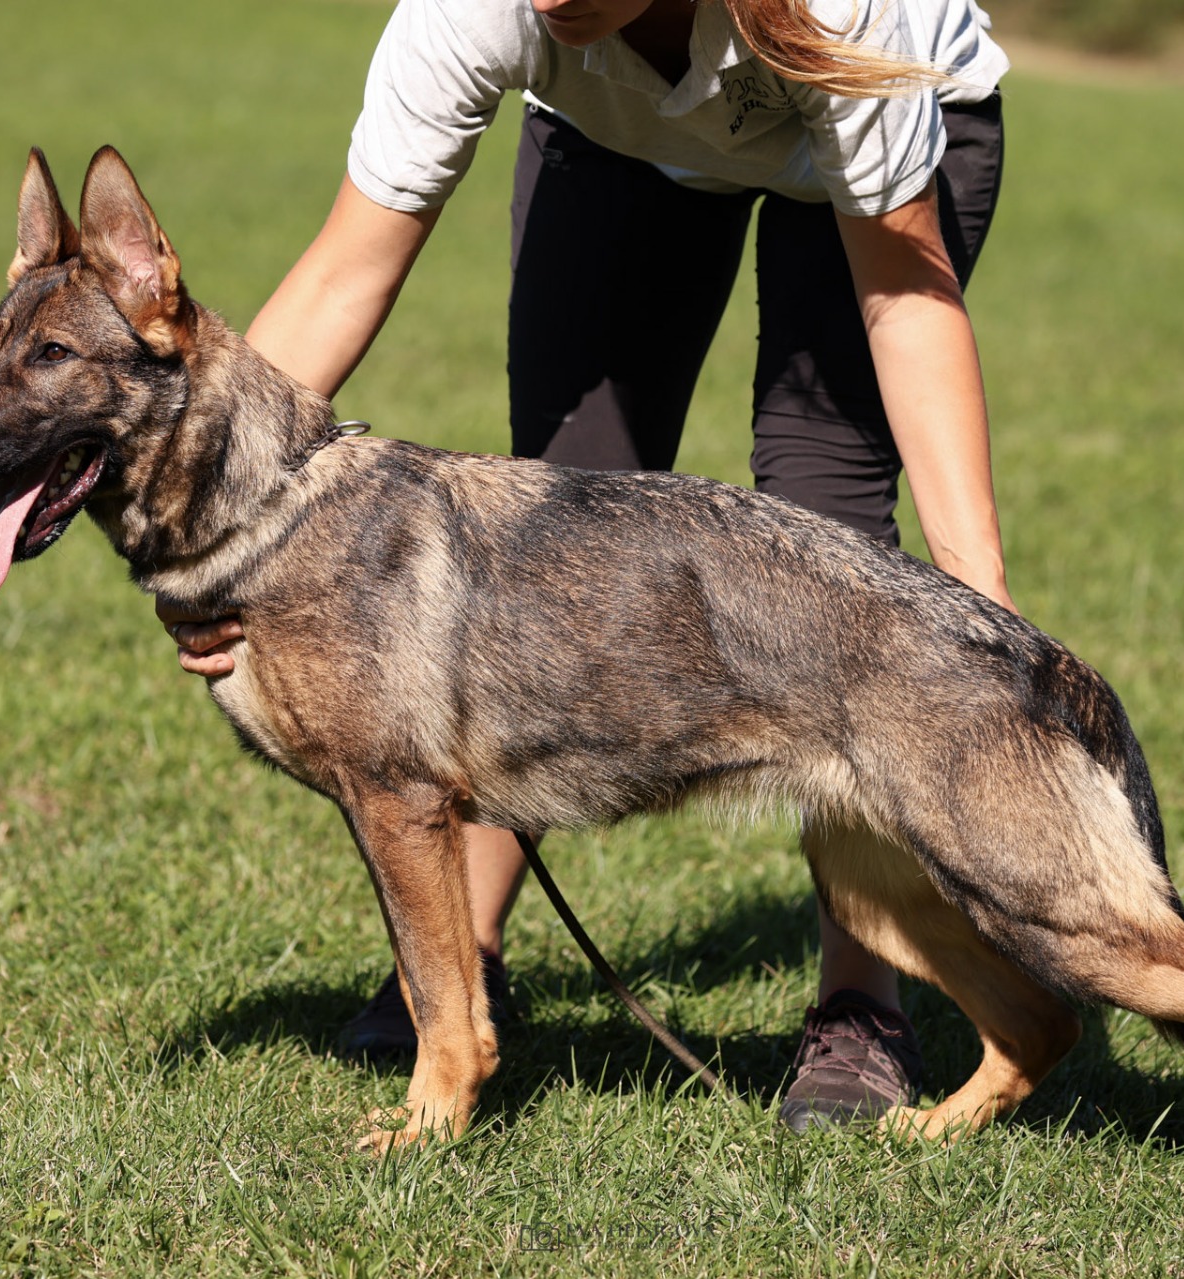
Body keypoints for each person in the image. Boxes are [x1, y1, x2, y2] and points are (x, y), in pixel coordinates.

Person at [163, 0, 1014, 1132]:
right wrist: (220, 534)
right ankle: (457, 968)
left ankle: (861, 1006)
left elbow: (904, 305)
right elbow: (344, 272)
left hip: (872, 140)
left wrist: (979, 601)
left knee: (830, 527)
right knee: (552, 546)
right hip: (620, 149)